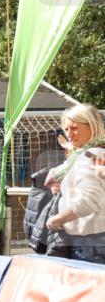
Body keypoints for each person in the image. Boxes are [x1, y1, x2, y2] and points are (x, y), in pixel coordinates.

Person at [45, 104, 105, 264]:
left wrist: (58, 219)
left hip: (90, 243)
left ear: (92, 126)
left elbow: (87, 201)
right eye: (66, 129)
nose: (69, 134)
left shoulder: (88, 157)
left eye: (75, 128)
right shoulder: (94, 152)